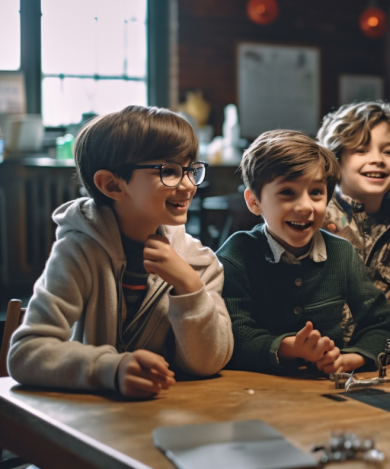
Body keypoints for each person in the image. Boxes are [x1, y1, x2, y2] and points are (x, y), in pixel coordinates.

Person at [7, 105, 233, 398]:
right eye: (169, 172)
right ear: (112, 185)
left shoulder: (200, 263)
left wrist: (188, 285)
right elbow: (26, 353)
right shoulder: (79, 252)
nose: (189, 185)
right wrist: (109, 368)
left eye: (190, 170)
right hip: (88, 422)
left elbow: (209, 363)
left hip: (171, 415)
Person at [216, 130, 390, 376]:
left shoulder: (341, 252)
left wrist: (351, 359)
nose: (304, 207)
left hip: (323, 390)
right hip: (253, 392)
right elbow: (231, 336)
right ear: (254, 202)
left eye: (316, 192)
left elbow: (383, 325)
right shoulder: (237, 254)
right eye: (287, 192)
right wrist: (291, 348)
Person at [317, 101, 390, 345]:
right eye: (361, 150)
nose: (377, 160)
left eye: (388, 151)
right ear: (336, 157)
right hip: (317, 365)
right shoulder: (313, 223)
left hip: (384, 366)